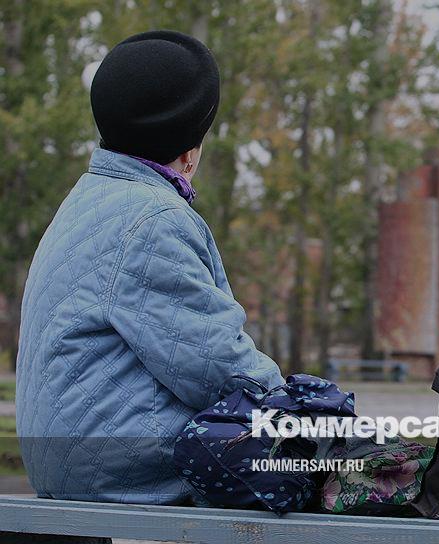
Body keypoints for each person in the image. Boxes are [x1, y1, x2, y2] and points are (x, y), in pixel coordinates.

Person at [15, 30, 283, 504]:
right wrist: (304, 412)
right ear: (189, 152)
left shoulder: (88, 199)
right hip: (120, 461)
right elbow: (216, 365)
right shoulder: (153, 218)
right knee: (318, 465)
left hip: (67, 452)